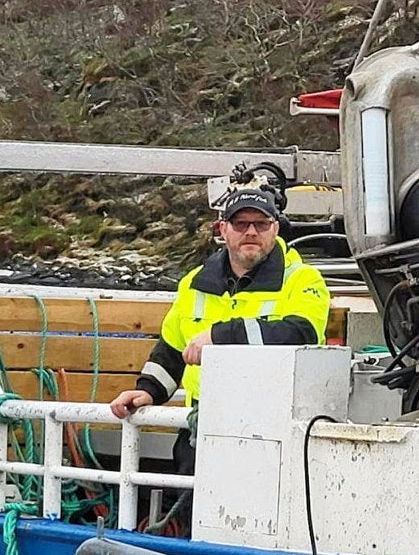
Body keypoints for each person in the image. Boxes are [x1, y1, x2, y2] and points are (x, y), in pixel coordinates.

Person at [109, 186, 332, 486]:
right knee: (190, 508)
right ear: (223, 229)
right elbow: (172, 349)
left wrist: (222, 336)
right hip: (200, 431)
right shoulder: (194, 283)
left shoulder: (303, 279)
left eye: (261, 224)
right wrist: (148, 391)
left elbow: (302, 333)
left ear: (275, 229)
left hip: (273, 433)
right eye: (241, 224)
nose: (251, 232)